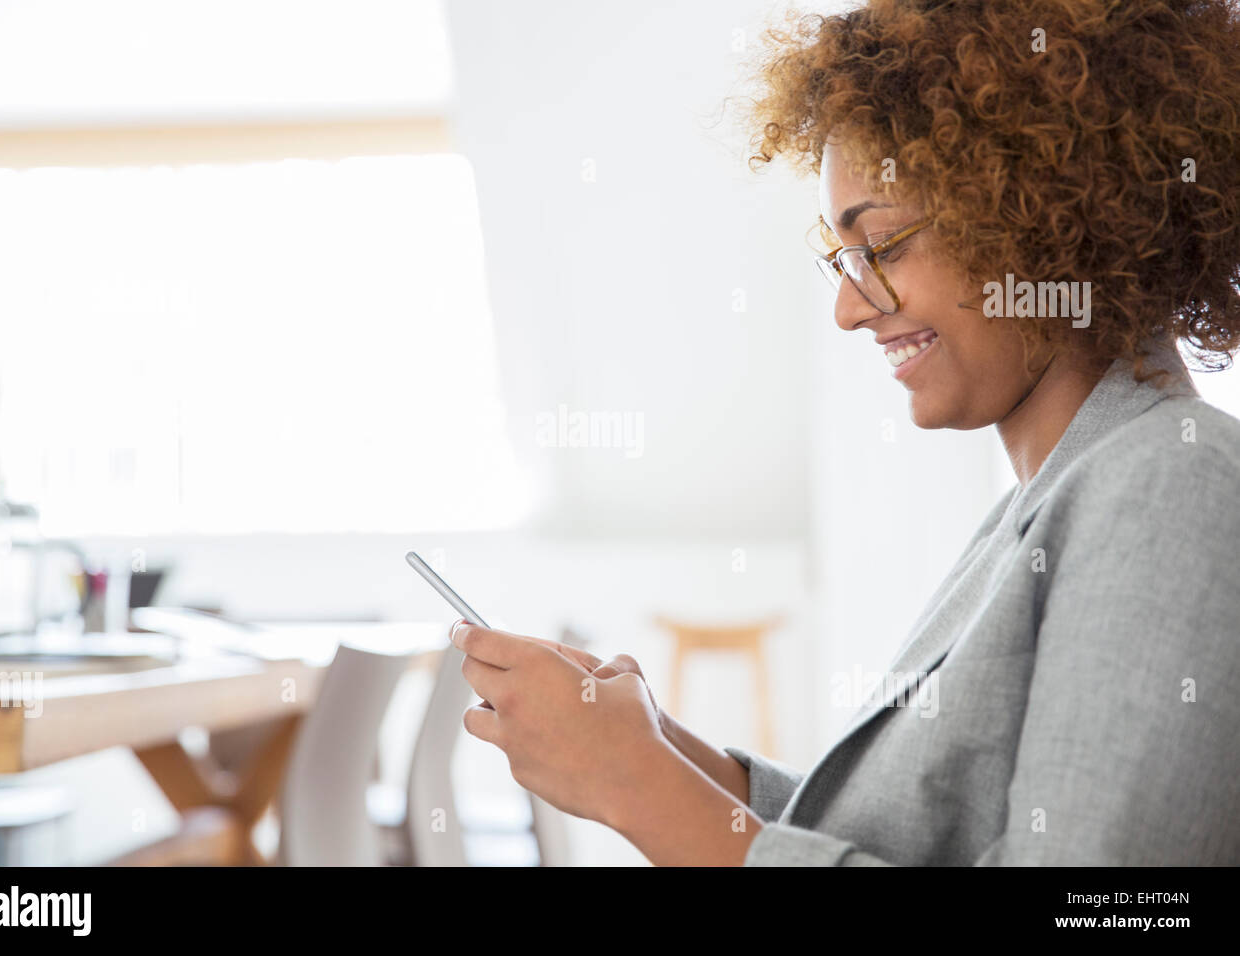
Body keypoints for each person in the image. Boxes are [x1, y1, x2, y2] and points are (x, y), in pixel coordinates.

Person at [453, 0, 1240, 865]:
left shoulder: (1173, 482)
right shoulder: (1051, 501)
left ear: (1050, 220)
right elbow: (914, 835)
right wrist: (667, 750)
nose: (848, 307)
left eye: (886, 246)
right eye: (843, 258)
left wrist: (635, 785)